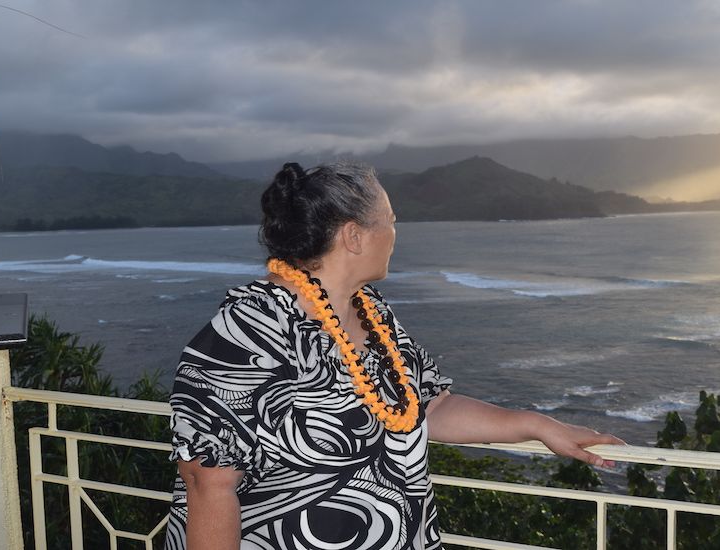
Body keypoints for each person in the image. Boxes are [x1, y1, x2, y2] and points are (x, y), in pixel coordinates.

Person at [164, 162, 623, 550]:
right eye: (391, 220)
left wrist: (538, 425)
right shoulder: (249, 330)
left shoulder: (371, 312)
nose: (395, 234)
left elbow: (429, 405)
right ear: (355, 236)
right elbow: (207, 484)